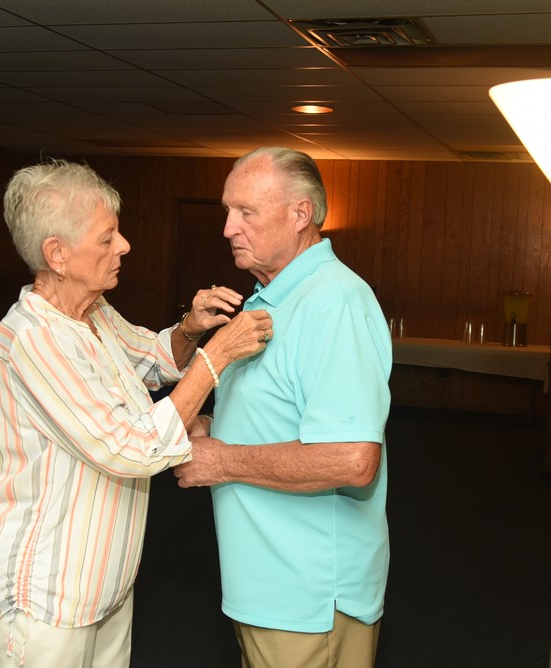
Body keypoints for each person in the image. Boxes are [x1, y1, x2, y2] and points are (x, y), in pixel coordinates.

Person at [0, 159, 272, 668]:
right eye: (107, 238)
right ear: (57, 254)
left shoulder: (93, 312)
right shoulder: (35, 339)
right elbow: (131, 447)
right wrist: (217, 355)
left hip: (103, 576)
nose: (125, 245)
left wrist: (191, 329)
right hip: (46, 587)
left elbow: (151, 359)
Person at [175, 147, 392, 667]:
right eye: (228, 210)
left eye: (246, 212)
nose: (228, 228)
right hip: (269, 587)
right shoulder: (272, 296)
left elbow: (352, 459)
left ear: (300, 214)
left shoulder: (333, 302)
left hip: (307, 597)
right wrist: (215, 425)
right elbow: (282, 411)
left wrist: (221, 460)